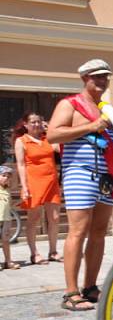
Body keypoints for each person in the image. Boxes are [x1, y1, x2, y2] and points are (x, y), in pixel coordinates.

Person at [47, 59, 113, 311]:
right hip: (80, 173)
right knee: (77, 231)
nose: (102, 81)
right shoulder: (70, 104)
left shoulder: (105, 108)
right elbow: (53, 135)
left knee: (99, 232)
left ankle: (90, 287)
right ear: (84, 79)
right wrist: (92, 125)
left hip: (105, 177)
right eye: (97, 77)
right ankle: (70, 292)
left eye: (105, 77)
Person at [13, 112, 62, 264]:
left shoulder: (47, 138)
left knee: (54, 218)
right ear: (26, 125)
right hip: (33, 182)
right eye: (33, 122)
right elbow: (20, 165)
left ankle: (53, 251)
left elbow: (59, 150)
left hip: (52, 182)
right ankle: (34, 253)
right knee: (33, 219)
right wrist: (24, 186)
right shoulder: (22, 141)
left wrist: (50, 130)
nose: (36, 124)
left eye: (38, 122)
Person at [0, 165, 20, 270]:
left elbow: (9, 205)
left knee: (6, 240)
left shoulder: (7, 190)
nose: (6, 178)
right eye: (3, 175)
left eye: (8, 176)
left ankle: (8, 261)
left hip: (6, 218)